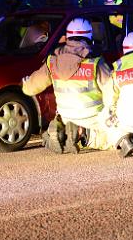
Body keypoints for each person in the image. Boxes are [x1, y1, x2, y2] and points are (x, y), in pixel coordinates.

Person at [21, 18, 113, 153]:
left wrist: (25, 84)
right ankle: (85, 134)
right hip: (92, 116)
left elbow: (30, 88)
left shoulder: (52, 60)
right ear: (89, 37)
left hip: (65, 114)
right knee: (112, 139)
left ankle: (60, 130)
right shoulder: (94, 61)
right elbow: (111, 90)